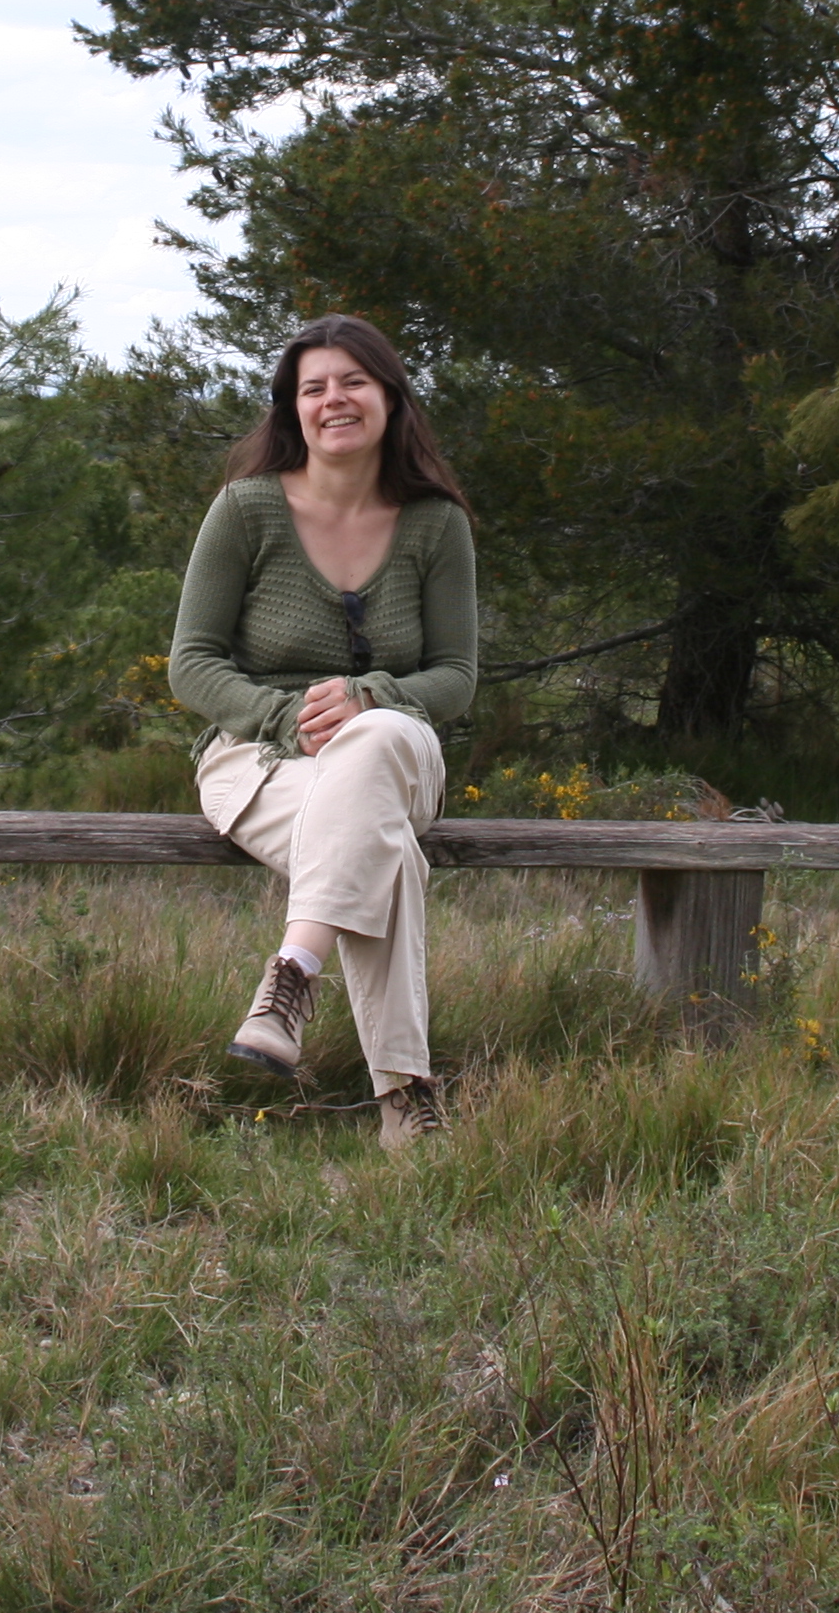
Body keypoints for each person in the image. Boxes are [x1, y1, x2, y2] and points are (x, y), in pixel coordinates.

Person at [167, 314, 477, 1151]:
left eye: (353, 382)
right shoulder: (246, 511)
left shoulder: (436, 523)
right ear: (292, 408)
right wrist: (285, 718)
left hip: (399, 753)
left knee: (373, 740)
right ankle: (407, 1104)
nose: (333, 400)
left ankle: (291, 975)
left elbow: (455, 676)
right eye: (314, 388)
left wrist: (369, 695)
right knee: (387, 853)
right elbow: (190, 664)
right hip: (258, 760)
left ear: (390, 398)